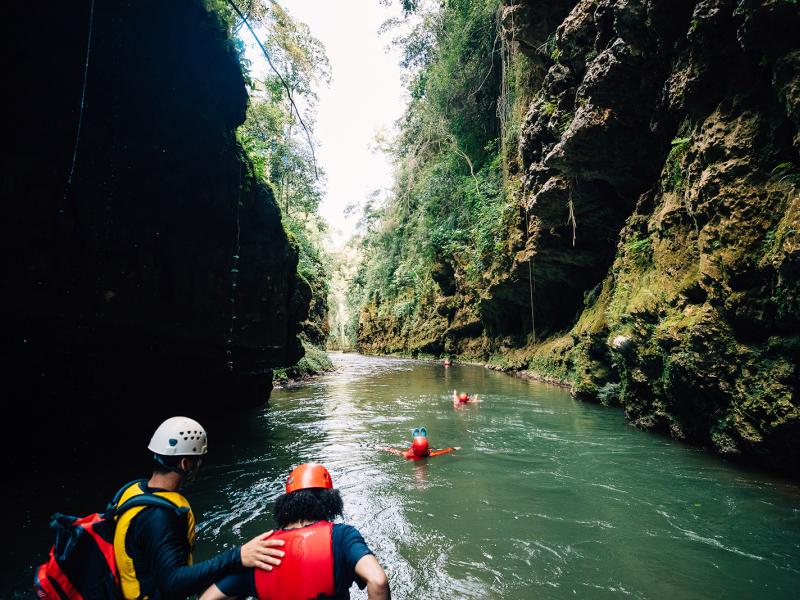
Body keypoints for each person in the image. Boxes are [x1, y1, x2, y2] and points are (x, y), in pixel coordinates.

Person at [113, 416, 286, 600]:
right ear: (185, 464)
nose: (199, 465)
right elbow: (173, 583)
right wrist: (238, 556)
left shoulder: (134, 491)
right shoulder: (158, 516)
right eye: (198, 460)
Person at [199, 463, 390, 600]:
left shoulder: (259, 551)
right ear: (330, 501)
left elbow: (208, 598)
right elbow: (378, 581)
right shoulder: (341, 536)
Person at [383, 427, 455, 461]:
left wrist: (384, 448)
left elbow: (394, 451)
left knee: (420, 445)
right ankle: (422, 437)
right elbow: (446, 450)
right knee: (432, 448)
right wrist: (453, 449)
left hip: (416, 449)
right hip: (423, 449)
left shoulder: (408, 455)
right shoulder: (430, 454)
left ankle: (416, 437)